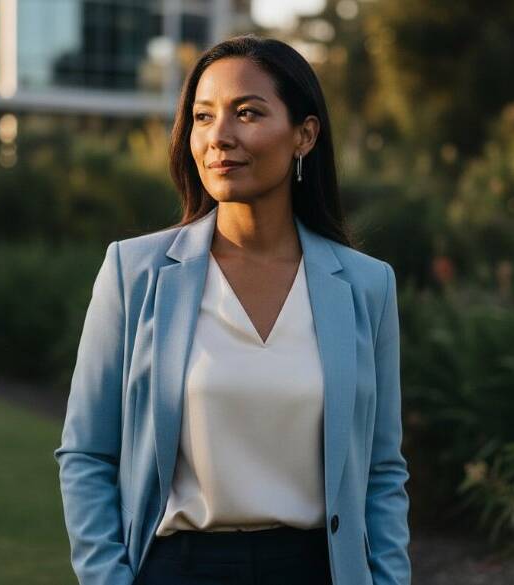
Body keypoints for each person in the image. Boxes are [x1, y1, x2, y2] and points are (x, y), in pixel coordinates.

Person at [54, 33, 412, 585]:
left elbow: (382, 471)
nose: (219, 137)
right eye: (202, 116)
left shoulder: (366, 285)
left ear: (304, 135)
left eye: (247, 113)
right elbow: (86, 454)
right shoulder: (135, 273)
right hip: (179, 568)